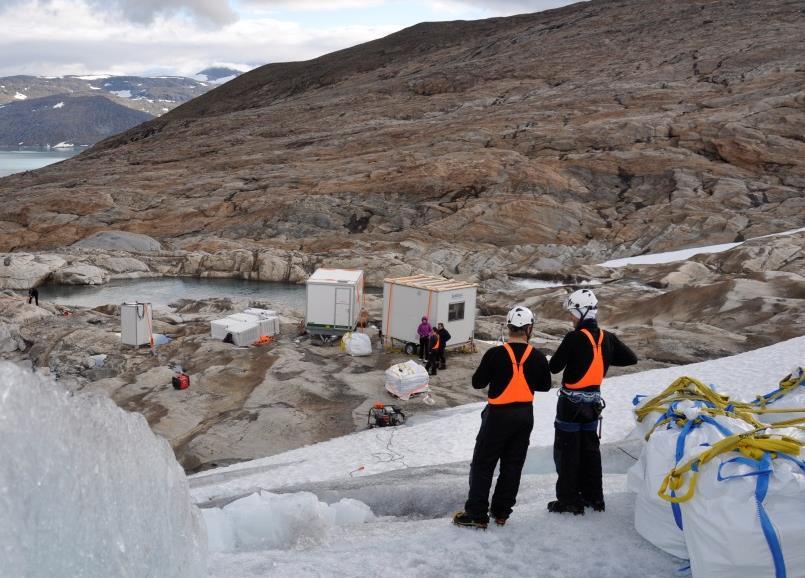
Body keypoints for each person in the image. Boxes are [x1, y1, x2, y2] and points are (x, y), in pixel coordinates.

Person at [453, 306, 552, 529]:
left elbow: (477, 382)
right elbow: (545, 386)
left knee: (483, 464)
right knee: (512, 465)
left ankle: (477, 515)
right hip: (524, 416)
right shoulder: (536, 356)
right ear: (529, 328)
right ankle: (501, 512)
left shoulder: (495, 354)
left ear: (508, 327)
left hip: (497, 416)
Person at [548, 289, 637, 515]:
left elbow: (554, 367)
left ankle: (569, 500)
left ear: (580, 312)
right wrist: (605, 355)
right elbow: (630, 358)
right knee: (590, 451)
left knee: (567, 452)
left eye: (572, 313)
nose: (571, 318)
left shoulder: (574, 338)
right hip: (593, 405)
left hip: (570, 405)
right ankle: (594, 497)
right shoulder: (607, 337)